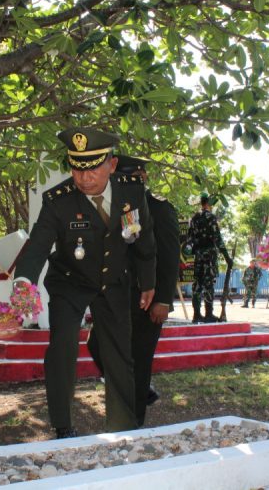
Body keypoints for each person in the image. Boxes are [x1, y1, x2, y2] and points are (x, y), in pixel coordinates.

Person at [13, 128, 156, 438]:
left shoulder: (132, 192)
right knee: (63, 346)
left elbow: (143, 241)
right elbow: (37, 247)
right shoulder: (58, 202)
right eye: (77, 167)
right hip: (69, 282)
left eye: (93, 167)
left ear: (113, 165)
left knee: (119, 353)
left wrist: (148, 282)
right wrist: (24, 281)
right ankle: (62, 425)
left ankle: (122, 426)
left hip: (113, 280)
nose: (84, 177)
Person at [86, 155, 180, 427]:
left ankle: (134, 423)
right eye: (120, 178)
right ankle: (137, 392)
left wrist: (163, 300)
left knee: (138, 362)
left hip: (146, 302)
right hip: (115, 300)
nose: (126, 183)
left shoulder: (158, 208)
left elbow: (170, 256)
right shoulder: (111, 208)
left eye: (132, 177)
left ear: (143, 177)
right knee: (97, 345)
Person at [186, 193, 231, 323]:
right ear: (208, 203)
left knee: (197, 285)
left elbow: (190, 239)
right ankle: (208, 314)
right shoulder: (210, 217)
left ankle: (196, 315)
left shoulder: (194, 218)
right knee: (209, 284)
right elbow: (217, 238)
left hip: (198, 256)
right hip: (209, 256)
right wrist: (227, 257)